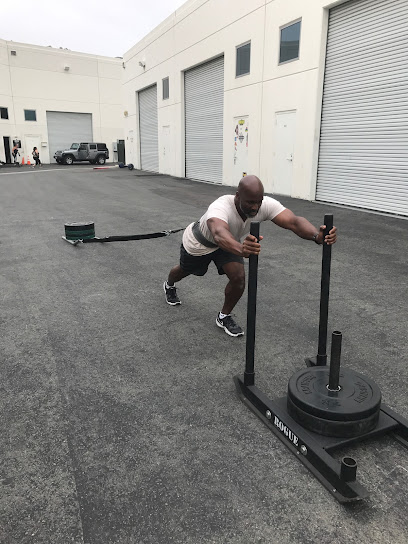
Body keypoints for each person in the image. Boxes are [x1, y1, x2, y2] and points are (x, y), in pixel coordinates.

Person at [163, 175, 337, 337]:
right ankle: (169, 285)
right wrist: (241, 249)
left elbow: (294, 222)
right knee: (184, 270)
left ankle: (223, 316)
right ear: (238, 196)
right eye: (250, 202)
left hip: (231, 242)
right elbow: (218, 234)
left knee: (238, 278)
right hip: (201, 243)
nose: (255, 207)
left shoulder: (264, 204)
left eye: (258, 202)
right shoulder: (221, 206)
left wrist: (316, 236)